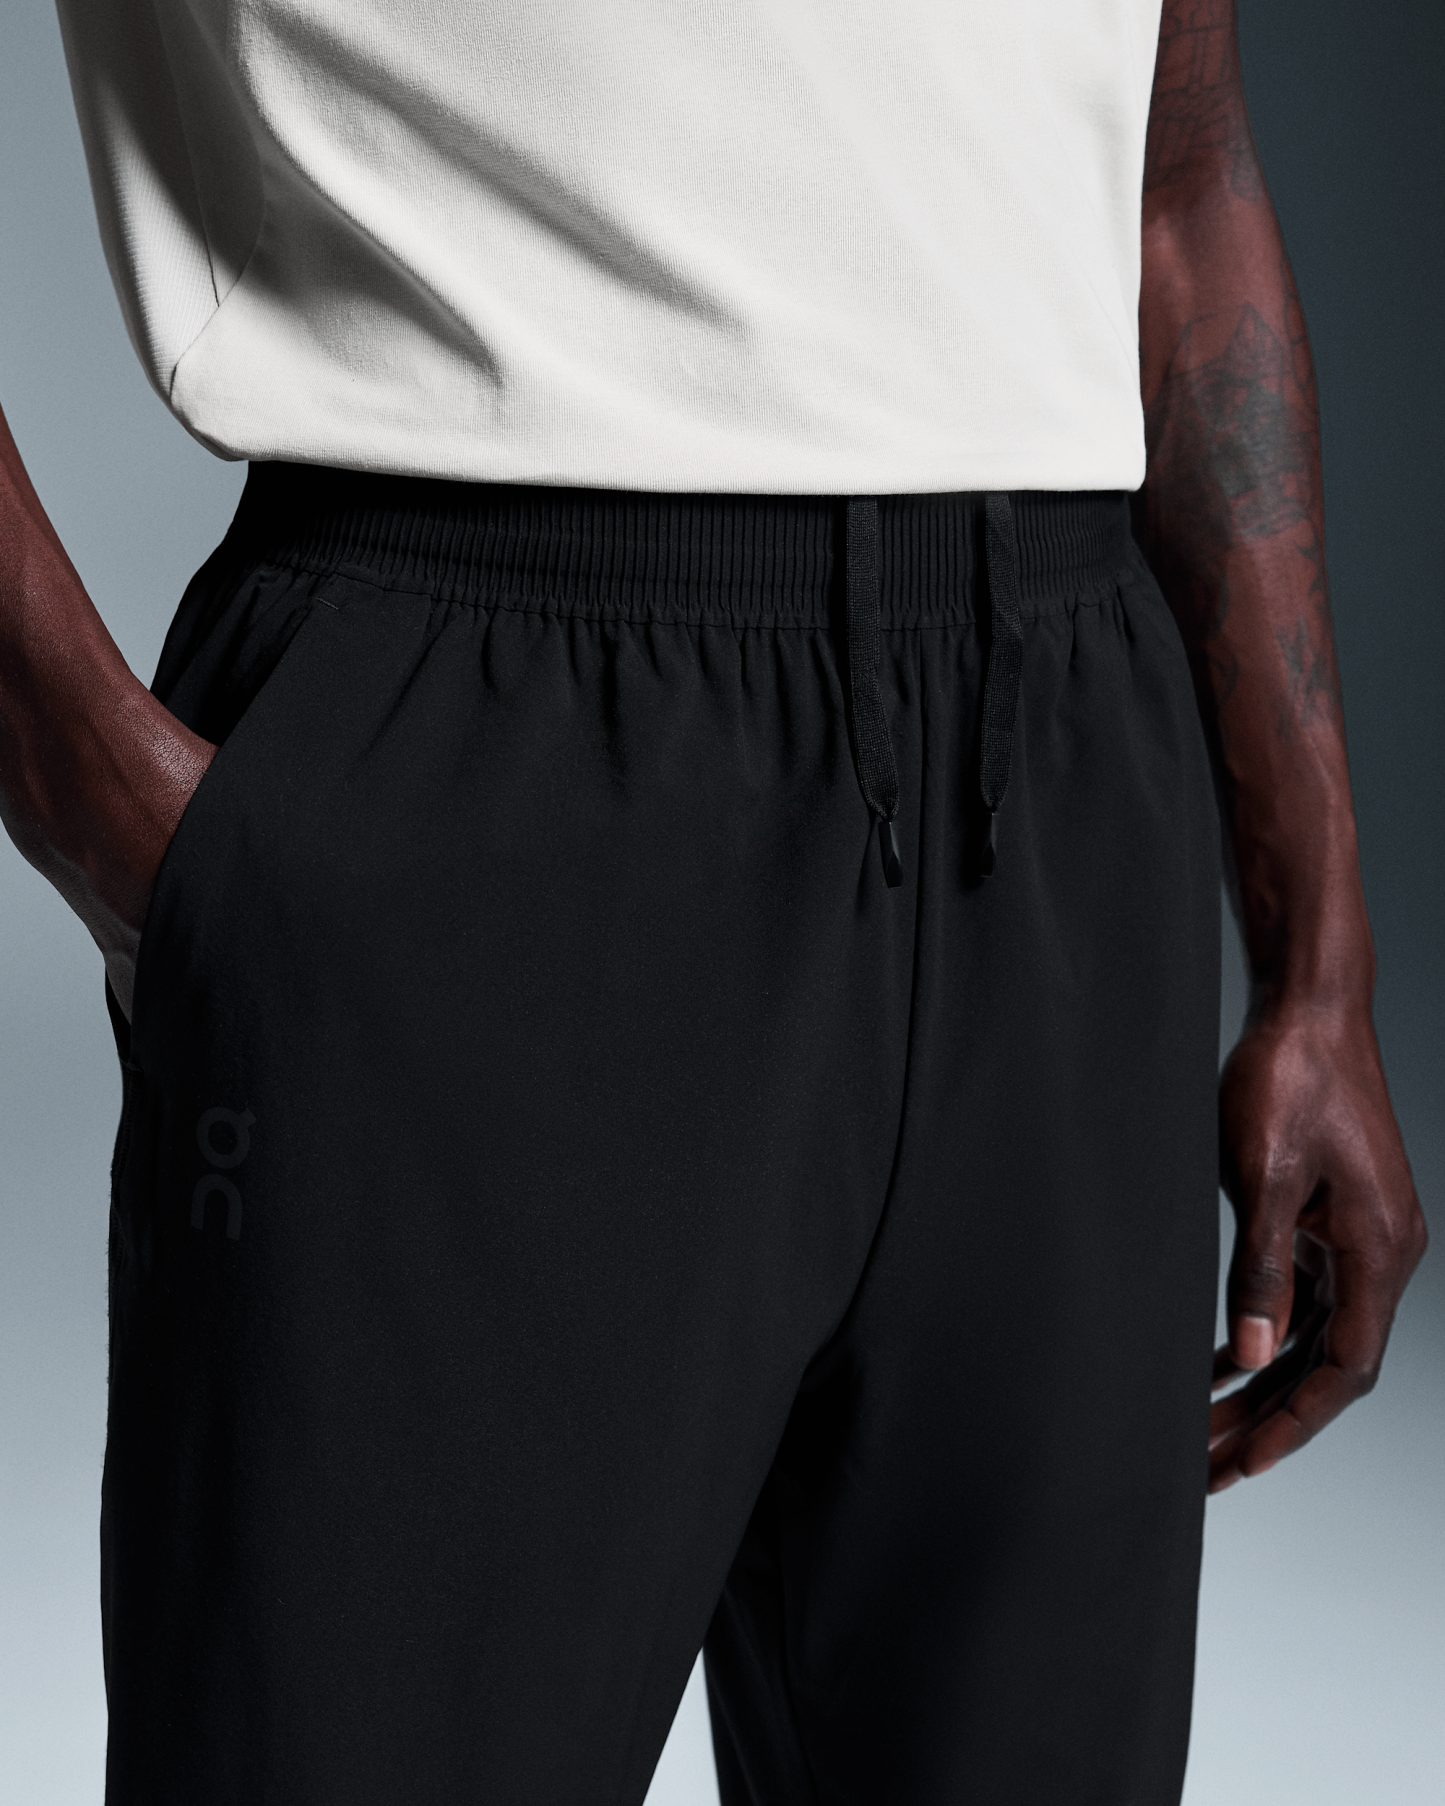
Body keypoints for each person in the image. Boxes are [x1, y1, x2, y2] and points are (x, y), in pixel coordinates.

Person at [0, 0, 1424, 1800]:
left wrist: (1319, 961)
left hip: (1058, 785)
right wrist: (104, 808)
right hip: (484, 728)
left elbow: (1180, 177)